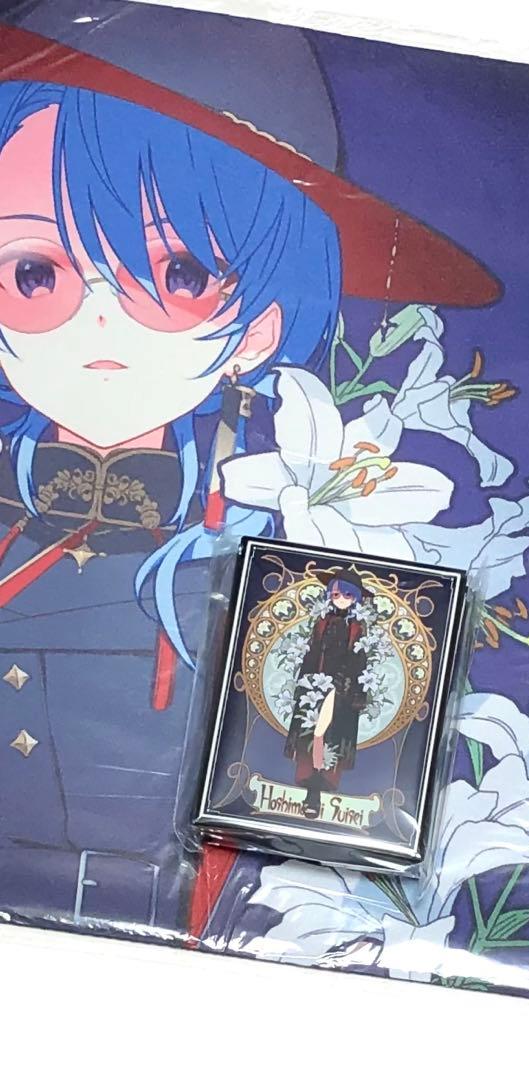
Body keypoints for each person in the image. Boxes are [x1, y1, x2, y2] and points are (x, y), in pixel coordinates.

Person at [0, 4, 496, 937]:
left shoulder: (321, 562)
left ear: (260, 327)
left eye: (177, 277)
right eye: (36, 274)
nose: (99, 321)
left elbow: (324, 863)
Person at [284, 570, 374, 818]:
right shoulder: (322, 621)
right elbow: (312, 651)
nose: (341, 599)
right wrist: (305, 679)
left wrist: (355, 689)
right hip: (316, 682)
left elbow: (360, 659)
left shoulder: (357, 627)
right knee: (312, 729)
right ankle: (311, 784)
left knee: (329, 732)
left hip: (342, 687)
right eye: (336, 594)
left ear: (355, 598)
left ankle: (319, 784)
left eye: (346, 594)